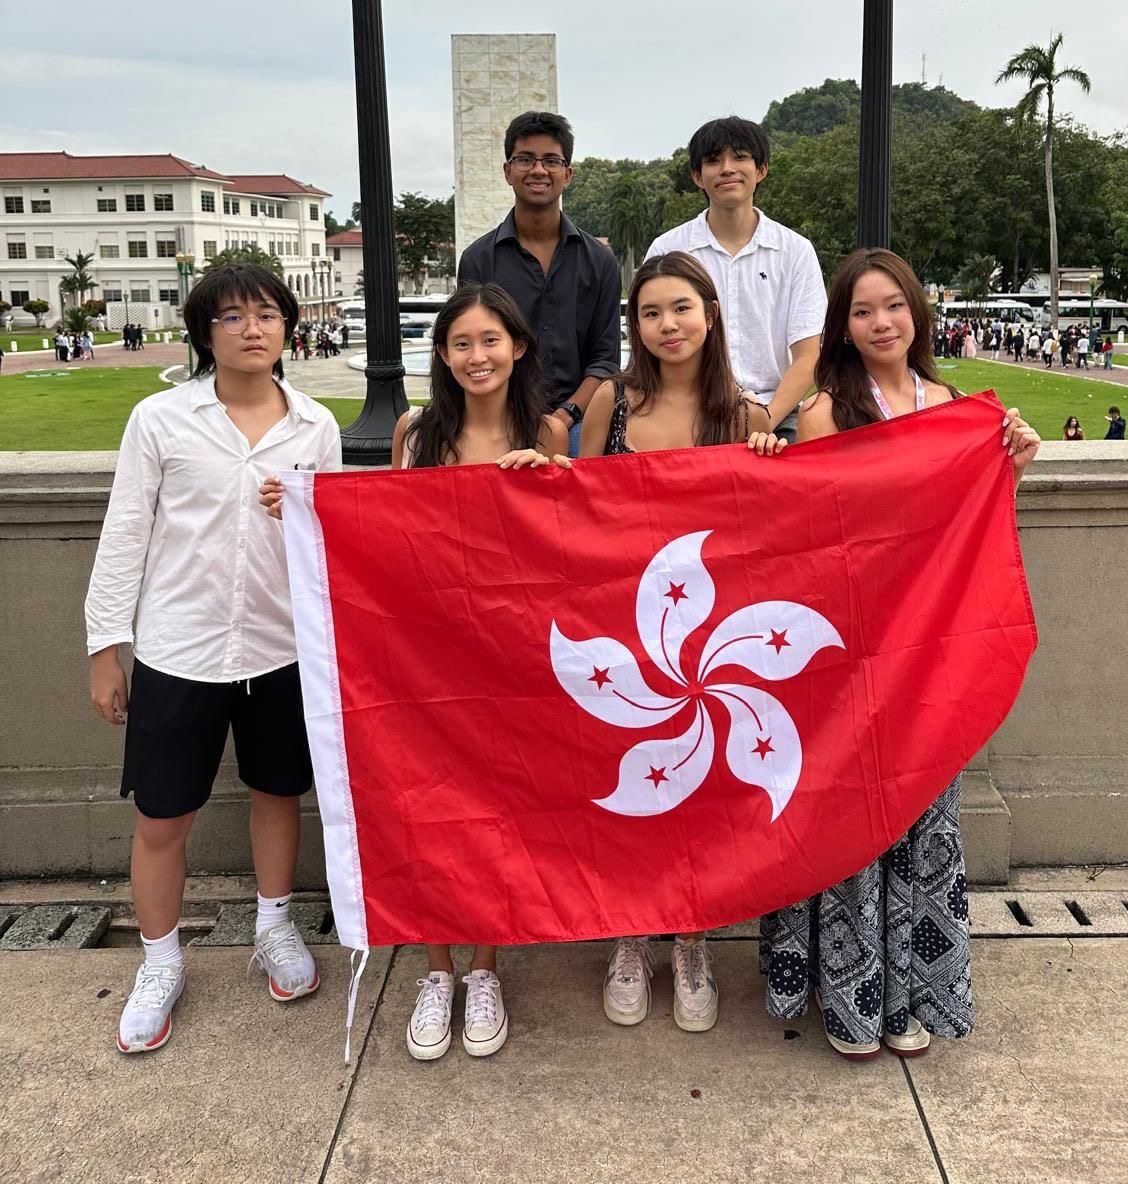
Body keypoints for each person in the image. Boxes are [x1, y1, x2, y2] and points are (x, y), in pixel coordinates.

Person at [265, 284, 567, 1062]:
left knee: (501, 812)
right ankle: (436, 969)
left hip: (516, 660)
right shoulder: (415, 432)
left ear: (519, 347)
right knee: (427, 808)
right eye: (461, 343)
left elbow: (582, 546)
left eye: (491, 340)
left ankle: (486, 969)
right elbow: (385, 530)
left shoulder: (552, 430)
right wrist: (304, 507)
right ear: (442, 356)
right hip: (427, 659)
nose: (477, 356)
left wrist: (552, 481)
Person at [758, 247, 1039, 1061]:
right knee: (849, 815)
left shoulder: (954, 406)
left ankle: (911, 991)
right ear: (841, 325)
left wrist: (1007, 464)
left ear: (915, 314)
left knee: (920, 814)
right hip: (847, 651)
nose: (881, 323)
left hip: (928, 651)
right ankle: (846, 997)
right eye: (862, 310)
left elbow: (968, 531)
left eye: (894, 307)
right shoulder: (823, 410)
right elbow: (808, 538)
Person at [85, 264, 342, 1056]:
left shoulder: (315, 426)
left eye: (266, 314)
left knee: (276, 793)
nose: (251, 328)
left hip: (280, 646)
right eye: (232, 317)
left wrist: (300, 508)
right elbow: (125, 534)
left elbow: (333, 544)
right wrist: (105, 646)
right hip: (178, 649)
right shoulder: (160, 419)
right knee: (163, 814)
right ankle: (159, 963)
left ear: (288, 329)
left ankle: (274, 925)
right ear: (206, 334)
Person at [581, 251, 775, 1037]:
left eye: (681, 309)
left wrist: (771, 463)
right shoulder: (611, 402)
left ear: (711, 314)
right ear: (635, 325)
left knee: (701, 793)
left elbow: (780, 534)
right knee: (633, 789)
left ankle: (692, 938)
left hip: (713, 639)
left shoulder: (747, 417)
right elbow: (568, 508)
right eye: (651, 312)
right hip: (624, 631)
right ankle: (632, 935)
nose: (668, 325)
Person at [643, 117, 826, 440]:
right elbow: (651, 338)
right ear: (698, 176)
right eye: (714, 161)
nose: (727, 168)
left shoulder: (795, 251)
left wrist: (762, 421)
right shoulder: (669, 248)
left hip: (775, 414)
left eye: (740, 157)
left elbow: (808, 354)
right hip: (688, 414)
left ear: (761, 170)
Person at [457, 110, 621, 455]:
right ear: (508, 171)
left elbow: (605, 360)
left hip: (578, 420)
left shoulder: (600, 261)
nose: (538, 170)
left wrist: (565, 416)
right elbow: (473, 349)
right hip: (501, 419)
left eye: (551, 160)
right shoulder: (478, 260)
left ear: (568, 173)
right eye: (525, 159)